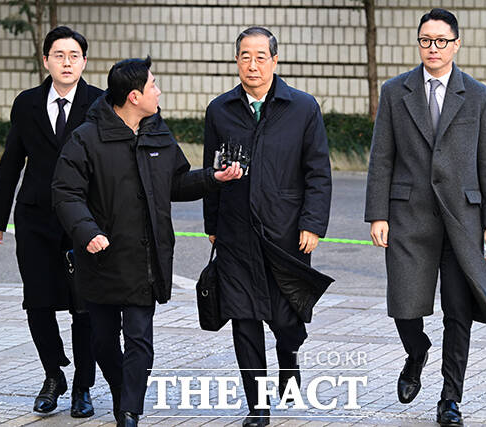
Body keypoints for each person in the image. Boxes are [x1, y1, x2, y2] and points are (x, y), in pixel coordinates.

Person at [51, 56, 242, 427]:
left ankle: (129, 411)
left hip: (146, 259)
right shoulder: (86, 138)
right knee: (103, 342)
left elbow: (176, 183)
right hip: (102, 259)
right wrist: (88, 232)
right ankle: (123, 391)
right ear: (134, 96)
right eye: (153, 85)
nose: (159, 91)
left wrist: (213, 178)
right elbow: (65, 192)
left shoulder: (158, 133)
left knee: (140, 340)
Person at [364, 8, 486, 427]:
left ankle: (450, 399)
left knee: (458, 311)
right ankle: (416, 351)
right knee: (404, 305)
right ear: (419, 43)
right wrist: (377, 214)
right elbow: (381, 157)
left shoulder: (477, 95)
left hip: (463, 220)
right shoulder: (395, 91)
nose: (433, 48)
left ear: (456, 45)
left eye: (441, 41)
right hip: (408, 217)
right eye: (426, 40)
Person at [203, 27, 332, 427]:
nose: (253, 64)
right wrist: (212, 223)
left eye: (261, 56)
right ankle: (258, 407)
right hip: (236, 233)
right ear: (236, 60)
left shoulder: (302, 107)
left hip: (286, 234)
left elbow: (317, 172)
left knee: (287, 319)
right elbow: (211, 171)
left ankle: (288, 357)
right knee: (243, 319)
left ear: (275, 61)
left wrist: (312, 224)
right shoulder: (220, 110)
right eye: (245, 56)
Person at [0, 26, 101, 418]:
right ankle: (54, 375)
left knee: (84, 305)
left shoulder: (100, 103)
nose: (67, 62)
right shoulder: (27, 103)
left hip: (84, 219)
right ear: (46, 60)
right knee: (37, 301)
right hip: (35, 217)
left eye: (74, 56)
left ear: (84, 61)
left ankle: (83, 386)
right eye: (59, 55)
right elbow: (12, 160)